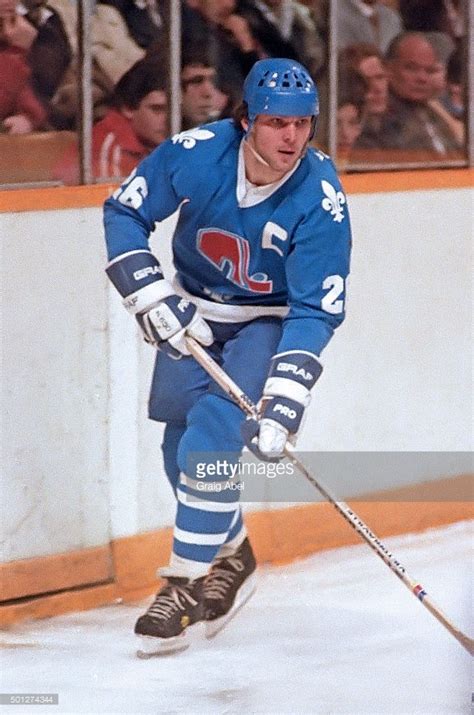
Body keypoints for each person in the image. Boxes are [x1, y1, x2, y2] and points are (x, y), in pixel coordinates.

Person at [103, 58, 352, 656]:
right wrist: (149, 291)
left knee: (211, 438)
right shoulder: (196, 152)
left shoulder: (320, 197)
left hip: (266, 323)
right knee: (177, 447)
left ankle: (183, 586)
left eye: (301, 123)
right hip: (192, 311)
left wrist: (286, 397)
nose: (290, 137)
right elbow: (124, 211)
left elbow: (316, 310)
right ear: (247, 121)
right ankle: (232, 554)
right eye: (275, 122)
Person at [54, 59, 168, 183]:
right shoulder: (106, 151)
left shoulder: (149, 141)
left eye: (174, 109)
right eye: (157, 109)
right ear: (128, 108)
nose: (168, 119)